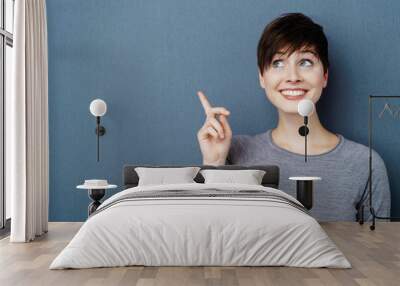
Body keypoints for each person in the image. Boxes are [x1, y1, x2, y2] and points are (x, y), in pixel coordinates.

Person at [196, 13, 390, 222]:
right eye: (278, 63)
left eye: (306, 62)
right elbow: (208, 236)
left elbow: (375, 250)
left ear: (324, 75)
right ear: (262, 76)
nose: (292, 76)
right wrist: (214, 163)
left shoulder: (365, 164)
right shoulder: (233, 152)